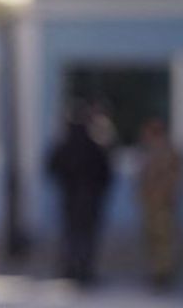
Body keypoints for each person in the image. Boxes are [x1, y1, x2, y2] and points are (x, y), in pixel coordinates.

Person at [47, 101, 114, 287]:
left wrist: (66, 184)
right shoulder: (94, 146)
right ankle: (84, 271)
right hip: (90, 200)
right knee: (87, 237)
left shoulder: (65, 145)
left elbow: (52, 167)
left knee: (71, 235)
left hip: (71, 199)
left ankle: (70, 269)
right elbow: (106, 173)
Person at [135, 118, 183, 290]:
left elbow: (175, 177)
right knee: (152, 239)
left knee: (163, 239)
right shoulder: (148, 151)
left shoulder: (167, 151)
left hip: (162, 203)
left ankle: (163, 274)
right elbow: (143, 178)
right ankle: (156, 271)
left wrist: (166, 194)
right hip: (151, 203)